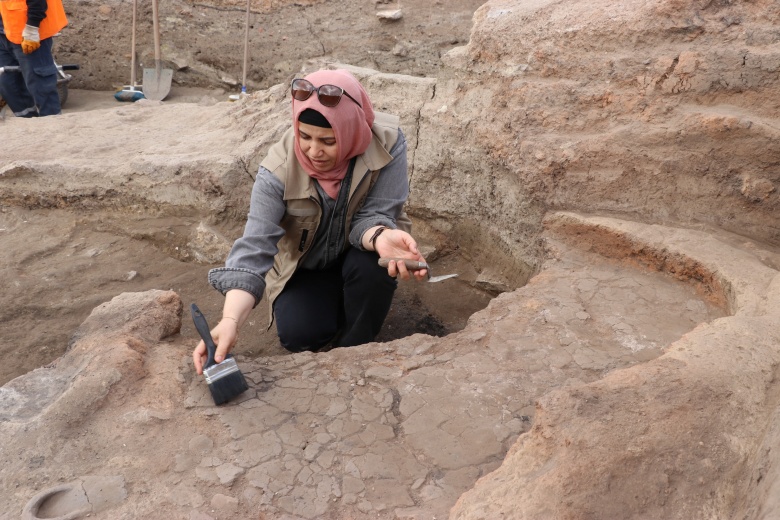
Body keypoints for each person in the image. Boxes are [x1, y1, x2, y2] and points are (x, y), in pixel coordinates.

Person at [193, 69, 429, 374]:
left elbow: (376, 213)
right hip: (303, 266)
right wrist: (230, 321)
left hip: (359, 253)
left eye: (328, 141)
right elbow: (254, 250)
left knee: (373, 268)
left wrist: (381, 235)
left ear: (350, 130)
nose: (314, 151)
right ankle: (334, 304)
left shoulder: (387, 143)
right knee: (299, 334)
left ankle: (356, 350)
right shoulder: (276, 172)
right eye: (304, 136)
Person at [0, 0, 67, 117]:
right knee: (9, 84)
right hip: (6, 31)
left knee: (41, 85)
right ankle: (28, 122)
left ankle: (52, 123)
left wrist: (31, 28)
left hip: (28, 33)